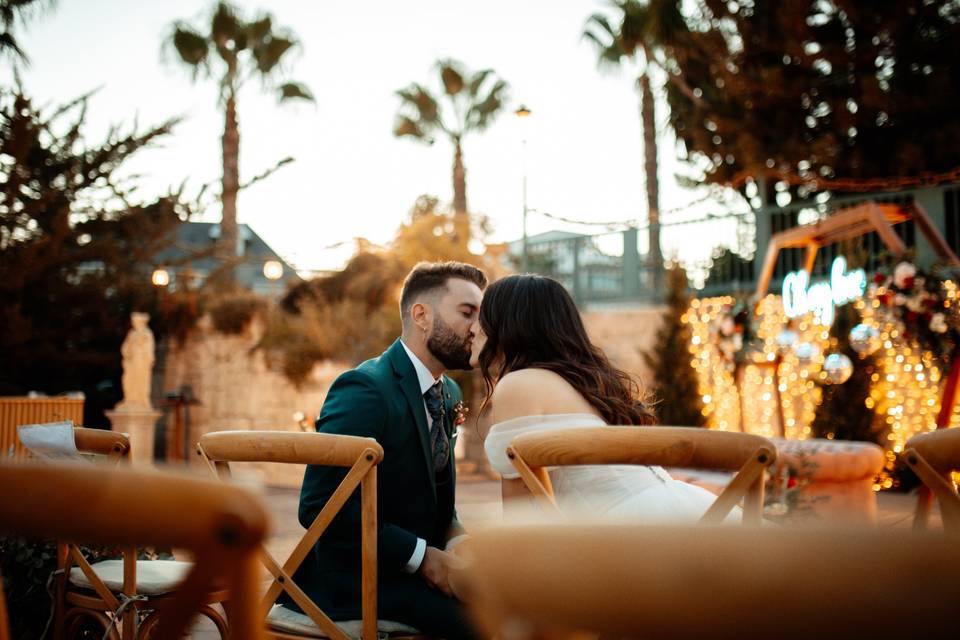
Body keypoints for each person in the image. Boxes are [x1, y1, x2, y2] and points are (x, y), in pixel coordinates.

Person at [287, 261, 486, 640]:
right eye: (467, 312)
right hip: (352, 580)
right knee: (486, 624)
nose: (477, 327)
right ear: (421, 315)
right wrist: (424, 558)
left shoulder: (449, 394)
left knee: (517, 598)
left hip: (413, 573)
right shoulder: (365, 389)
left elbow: (439, 500)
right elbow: (318, 507)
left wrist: (462, 544)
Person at [473, 274, 737, 522]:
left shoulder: (518, 385)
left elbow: (520, 512)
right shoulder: (592, 383)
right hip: (680, 511)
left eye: (484, 318)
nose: (475, 328)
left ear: (508, 327)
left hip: (627, 529)